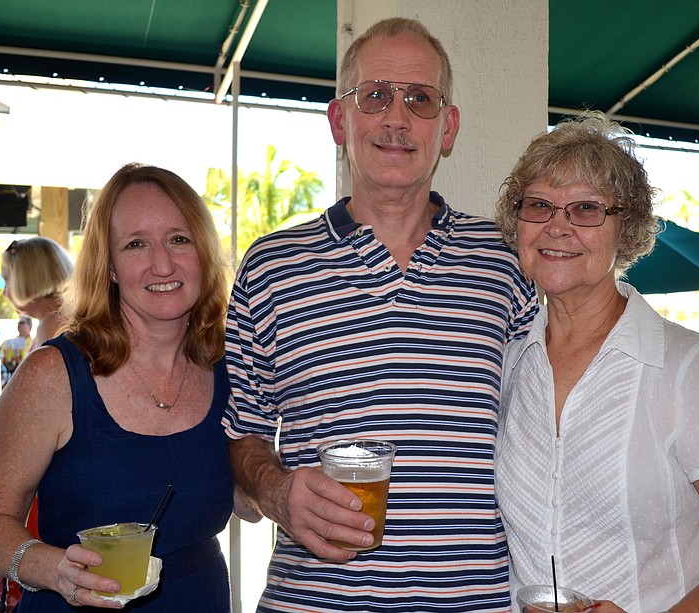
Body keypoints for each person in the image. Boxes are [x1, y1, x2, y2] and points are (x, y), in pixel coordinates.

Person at [224, 17, 538, 613]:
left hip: (476, 602)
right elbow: (242, 435)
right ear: (340, 121)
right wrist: (275, 490)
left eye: (420, 99)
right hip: (313, 602)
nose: (397, 118)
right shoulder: (270, 266)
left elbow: (545, 431)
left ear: (447, 128)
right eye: (375, 96)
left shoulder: (506, 260)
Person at [493, 111, 699, 613]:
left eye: (586, 209)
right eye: (539, 206)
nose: (557, 226)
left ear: (625, 229)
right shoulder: (509, 366)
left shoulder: (691, 368)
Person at [0, 163, 254, 611]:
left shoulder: (231, 367)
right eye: (136, 244)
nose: (162, 263)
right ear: (110, 266)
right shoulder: (53, 375)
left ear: (203, 251)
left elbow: (241, 495)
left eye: (179, 239)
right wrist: (53, 568)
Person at [0, 237, 74, 449]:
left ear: (27, 279)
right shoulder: (60, 319)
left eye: (7, 280)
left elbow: (42, 405)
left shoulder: (53, 325)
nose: (4, 292)